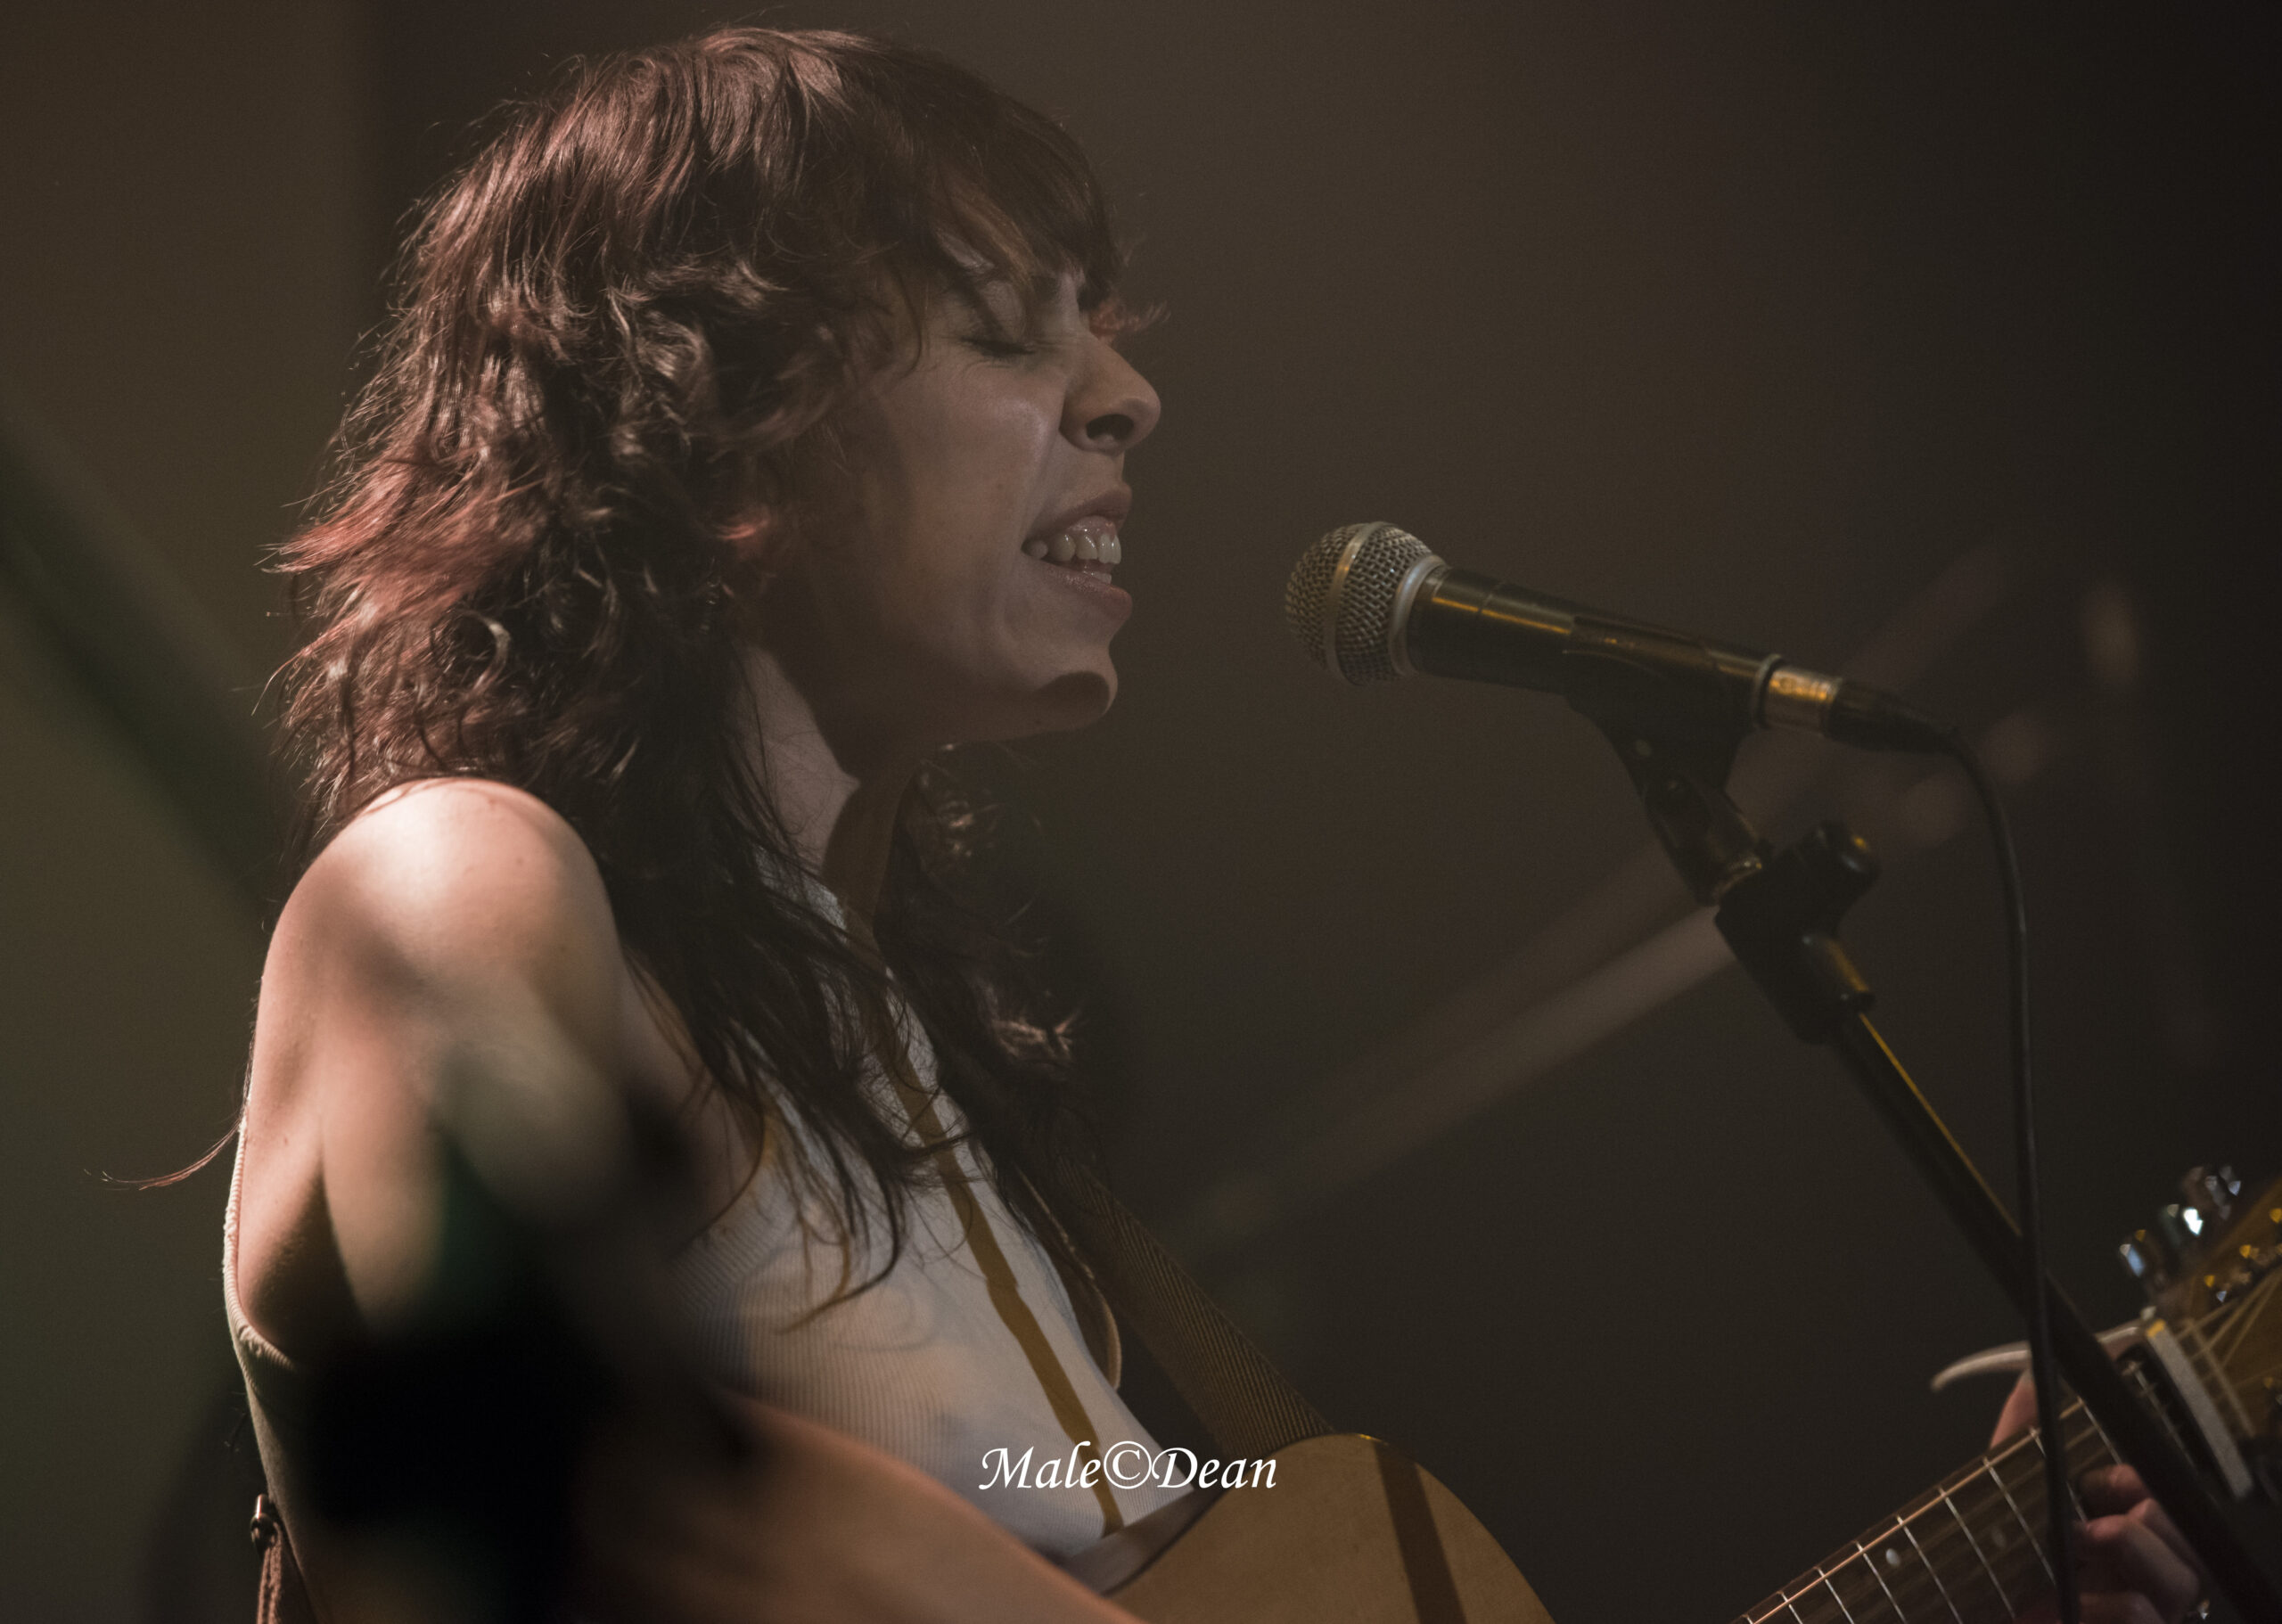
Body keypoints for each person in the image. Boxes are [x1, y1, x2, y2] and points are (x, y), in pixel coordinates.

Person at [223, 23, 2206, 1624]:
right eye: (1008, 328)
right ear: (718, 417)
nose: (1128, 394)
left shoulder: (930, 1097)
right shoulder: (458, 885)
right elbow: (574, 1472)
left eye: (1096, 323)